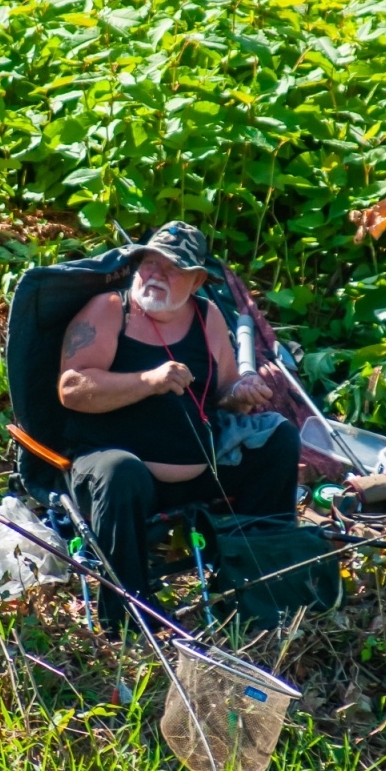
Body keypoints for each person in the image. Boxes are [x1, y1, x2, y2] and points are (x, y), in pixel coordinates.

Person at [58, 221, 301, 628]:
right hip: (116, 472)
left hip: (197, 467)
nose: (154, 274)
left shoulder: (207, 317)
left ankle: (256, 584)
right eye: (149, 263)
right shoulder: (108, 310)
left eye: (171, 268)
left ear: (197, 279)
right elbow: (71, 388)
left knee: (277, 439)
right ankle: (130, 612)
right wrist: (147, 381)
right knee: (121, 472)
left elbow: (223, 391)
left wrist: (240, 394)